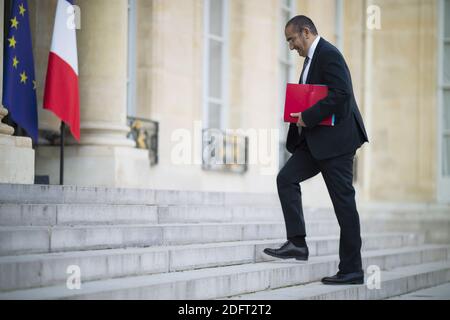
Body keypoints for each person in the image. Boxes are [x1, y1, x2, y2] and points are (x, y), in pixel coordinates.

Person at [263, 15, 369, 285]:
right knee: (285, 179)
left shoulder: (329, 54)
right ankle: (297, 243)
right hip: (316, 142)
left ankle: (352, 270)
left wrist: (307, 116)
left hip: (337, 144)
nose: (291, 46)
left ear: (306, 32)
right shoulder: (311, 60)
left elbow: (341, 94)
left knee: (344, 206)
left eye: (292, 39)